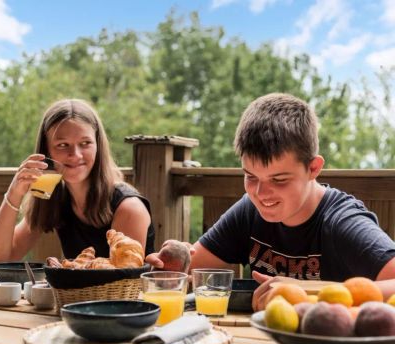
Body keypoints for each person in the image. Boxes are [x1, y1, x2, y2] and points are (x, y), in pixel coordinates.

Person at [146, 93, 395, 310]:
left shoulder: (342, 222)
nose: (261, 194)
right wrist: (173, 267)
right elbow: (191, 267)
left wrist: (307, 291)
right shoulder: (249, 210)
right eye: (251, 176)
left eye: (279, 179)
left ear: (313, 168)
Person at [0, 99, 155, 262]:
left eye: (85, 143)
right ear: (47, 152)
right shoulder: (56, 198)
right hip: (77, 293)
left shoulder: (128, 207)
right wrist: (15, 193)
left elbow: (120, 284)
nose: (75, 155)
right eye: (63, 145)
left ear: (98, 146)